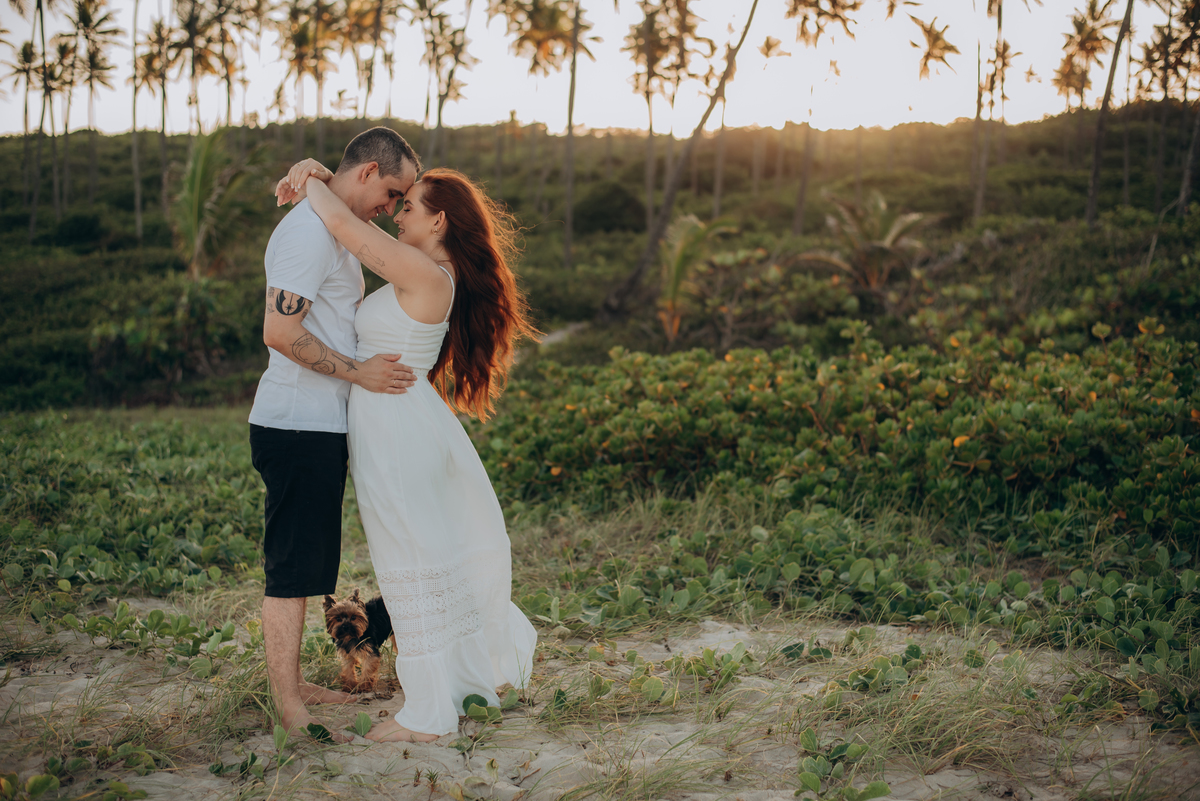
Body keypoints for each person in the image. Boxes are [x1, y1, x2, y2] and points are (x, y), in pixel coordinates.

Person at [275, 157, 539, 743]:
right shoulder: (429, 273)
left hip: (395, 429)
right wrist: (317, 182)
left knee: (407, 562)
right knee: (418, 556)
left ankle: (426, 712)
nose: (397, 214)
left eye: (410, 206)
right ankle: (458, 681)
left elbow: (345, 229)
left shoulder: (425, 272)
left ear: (439, 220)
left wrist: (310, 180)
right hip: (396, 421)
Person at [249, 127, 421, 742]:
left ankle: (297, 687)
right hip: (294, 424)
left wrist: (315, 175)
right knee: (292, 572)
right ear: (370, 171)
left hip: (320, 427)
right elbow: (279, 331)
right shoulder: (305, 234)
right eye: (393, 192)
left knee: (312, 568)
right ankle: (288, 709)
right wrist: (360, 375)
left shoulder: (333, 226)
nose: (394, 208)